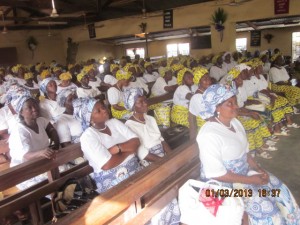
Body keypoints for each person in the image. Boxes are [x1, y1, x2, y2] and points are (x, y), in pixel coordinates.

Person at [197, 84, 300, 224]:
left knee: (278, 189)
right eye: (230, 104)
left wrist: (258, 169)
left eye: (235, 102)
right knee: (267, 208)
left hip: (244, 175)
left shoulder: (235, 123)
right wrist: (251, 180)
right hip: (222, 187)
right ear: (216, 108)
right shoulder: (209, 135)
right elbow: (216, 174)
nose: (236, 106)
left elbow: (245, 153)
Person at [74, 97, 141, 193]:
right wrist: (129, 151)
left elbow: (136, 141)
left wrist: (118, 148)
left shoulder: (114, 122)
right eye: (98, 111)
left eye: (103, 107)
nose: (104, 110)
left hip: (135, 171)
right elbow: (107, 164)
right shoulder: (88, 137)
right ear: (90, 118)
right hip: (113, 182)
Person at [9, 95, 60, 190]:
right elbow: (26, 155)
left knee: (65, 174)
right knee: (50, 185)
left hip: (42, 161)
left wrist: (55, 146)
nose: (35, 109)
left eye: (35, 105)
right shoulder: (20, 131)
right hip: (25, 170)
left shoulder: (41, 121)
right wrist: (41, 152)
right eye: (29, 107)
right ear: (21, 112)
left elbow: (52, 130)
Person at [124, 88, 171, 166]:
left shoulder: (150, 119)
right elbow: (142, 153)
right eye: (140, 102)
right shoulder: (129, 126)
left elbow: (161, 140)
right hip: (150, 161)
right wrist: (165, 162)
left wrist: (171, 156)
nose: (145, 103)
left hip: (163, 156)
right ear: (132, 106)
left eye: (145, 100)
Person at [188, 67, 212, 140]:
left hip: (211, 125)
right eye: (205, 79)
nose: (209, 81)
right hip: (206, 129)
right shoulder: (197, 98)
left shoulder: (207, 93)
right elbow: (209, 118)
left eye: (209, 78)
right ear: (199, 81)